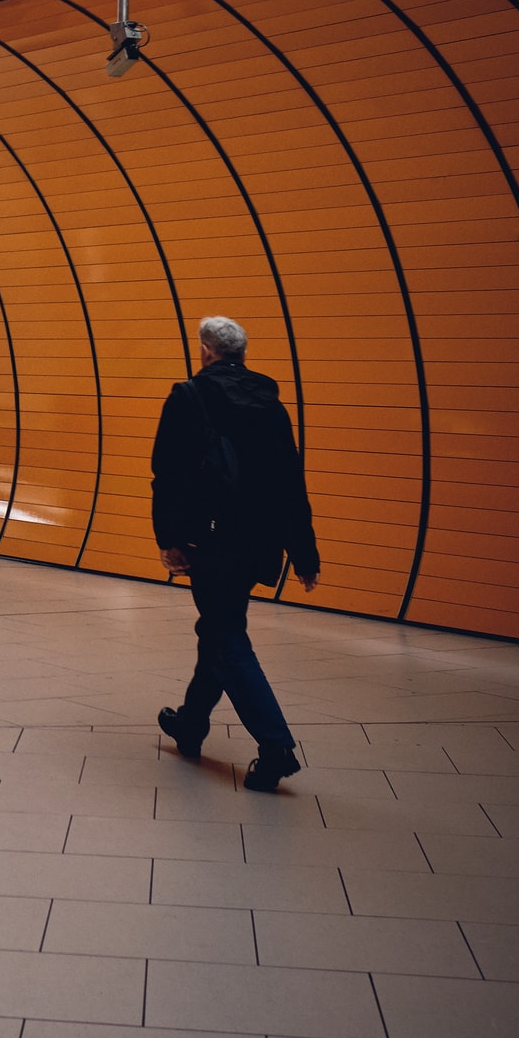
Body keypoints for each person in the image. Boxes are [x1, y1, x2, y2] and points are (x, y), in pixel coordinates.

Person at [151, 315, 320, 792]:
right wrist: (304, 554)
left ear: (206, 351)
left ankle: (276, 747)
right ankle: (190, 723)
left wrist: (169, 539)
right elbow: (291, 481)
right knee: (220, 627)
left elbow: (167, 474)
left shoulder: (189, 396)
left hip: (211, 539)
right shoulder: (271, 405)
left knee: (227, 637)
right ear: (242, 354)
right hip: (259, 542)